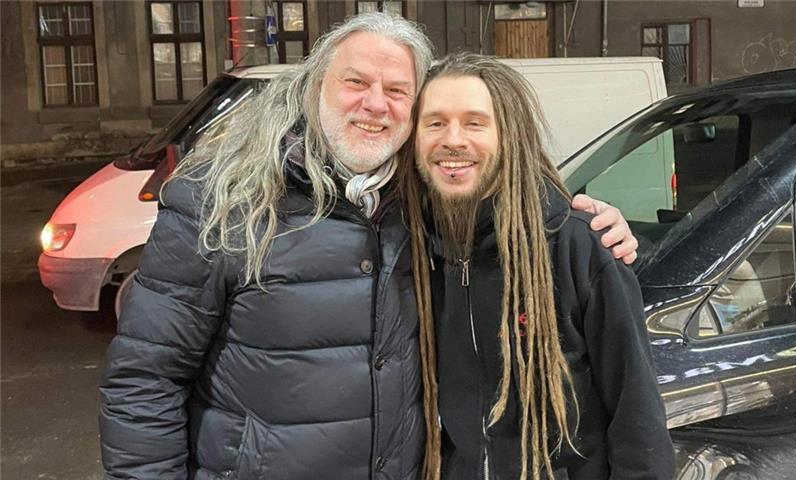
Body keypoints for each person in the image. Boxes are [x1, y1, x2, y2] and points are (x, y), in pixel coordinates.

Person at [99, 14, 638, 480]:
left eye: (398, 90)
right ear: (313, 88)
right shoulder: (222, 204)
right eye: (355, 81)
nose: (375, 104)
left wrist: (582, 220)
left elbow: (499, 181)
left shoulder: (422, 206)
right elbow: (145, 381)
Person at [402, 53, 675, 480]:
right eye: (435, 123)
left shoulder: (581, 246)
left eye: (476, 123)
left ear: (511, 135)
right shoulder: (417, 254)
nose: (453, 139)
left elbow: (637, 415)